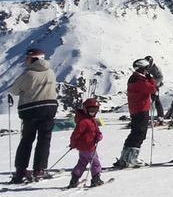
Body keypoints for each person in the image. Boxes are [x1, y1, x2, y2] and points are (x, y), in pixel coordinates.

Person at [8, 48, 58, 183]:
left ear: (34, 59)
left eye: (28, 58)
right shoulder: (51, 73)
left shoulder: (29, 74)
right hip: (49, 108)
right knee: (44, 140)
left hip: (31, 110)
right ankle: (39, 170)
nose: (26, 61)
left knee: (27, 140)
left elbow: (14, 90)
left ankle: (21, 170)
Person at [114, 58, 157, 168]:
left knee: (134, 133)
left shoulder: (134, 78)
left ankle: (125, 157)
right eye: (147, 68)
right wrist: (151, 79)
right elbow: (152, 89)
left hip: (136, 109)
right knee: (140, 134)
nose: (148, 71)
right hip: (141, 109)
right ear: (142, 69)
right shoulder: (139, 80)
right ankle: (132, 158)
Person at [68, 98, 104, 188]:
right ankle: (96, 179)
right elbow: (75, 134)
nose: (93, 112)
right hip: (88, 147)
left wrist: (98, 135)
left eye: (95, 110)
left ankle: (74, 180)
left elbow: (96, 130)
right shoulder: (84, 122)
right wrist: (73, 144)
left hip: (85, 148)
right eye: (91, 110)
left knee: (82, 163)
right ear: (85, 109)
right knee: (95, 163)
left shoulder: (91, 120)